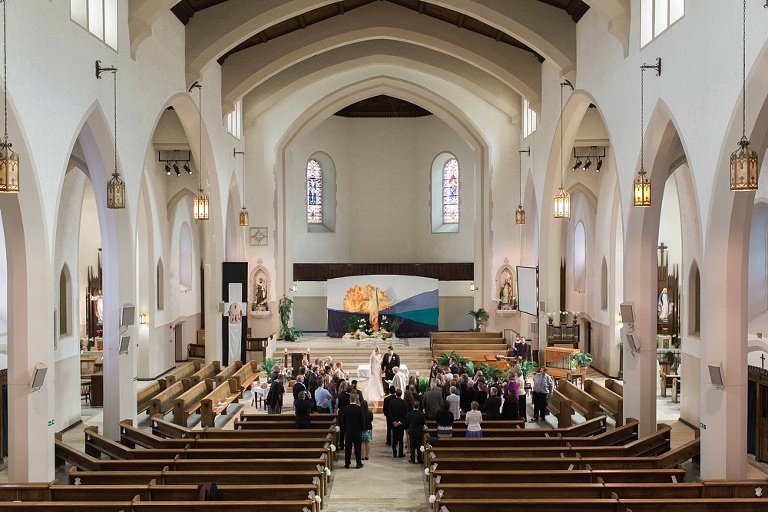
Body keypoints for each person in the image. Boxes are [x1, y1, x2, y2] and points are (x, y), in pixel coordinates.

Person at [340, 393, 365, 469]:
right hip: (357, 431)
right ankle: (358, 463)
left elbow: (342, 421)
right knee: (358, 448)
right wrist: (362, 429)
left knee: (348, 448)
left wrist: (344, 429)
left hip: (348, 431)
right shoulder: (359, 409)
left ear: (349, 399)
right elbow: (362, 421)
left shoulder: (345, 409)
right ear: (356, 399)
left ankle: (347, 463)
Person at [388, 389, 408, 458]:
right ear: (401, 394)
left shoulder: (391, 402)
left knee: (394, 438)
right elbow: (405, 413)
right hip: (401, 424)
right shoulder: (404, 402)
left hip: (394, 423)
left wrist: (393, 421)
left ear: (396, 394)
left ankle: (394, 453)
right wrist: (400, 422)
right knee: (400, 439)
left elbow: (390, 413)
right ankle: (400, 453)